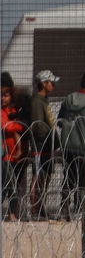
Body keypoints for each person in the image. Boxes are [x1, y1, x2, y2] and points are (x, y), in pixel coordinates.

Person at [58, 71, 85, 220]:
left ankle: (64, 209)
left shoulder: (68, 99)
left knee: (68, 177)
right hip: (84, 147)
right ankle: (83, 209)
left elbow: (60, 120)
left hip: (67, 145)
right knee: (84, 180)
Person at [27, 70, 59, 219]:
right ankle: (35, 209)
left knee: (45, 177)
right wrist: (49, 135)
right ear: (44, 83)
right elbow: (38, 125)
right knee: (37, 176)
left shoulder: (44, 100)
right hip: (40, 145)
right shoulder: (36, 101)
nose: (53, 85)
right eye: (51, 82)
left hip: (48, 145)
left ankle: (41, 207)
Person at [1, 73, 27, 221]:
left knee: (14, 187)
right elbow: (6, 126)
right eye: (1, 95)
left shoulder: (12, 110)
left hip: (16, 156)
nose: (3, 98)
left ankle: (12, 213)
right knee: (5, 184)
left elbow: (20, 125)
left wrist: (16, 125)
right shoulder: (3, 112)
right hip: (5, 156)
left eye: (6, 95)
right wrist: (17, 125)